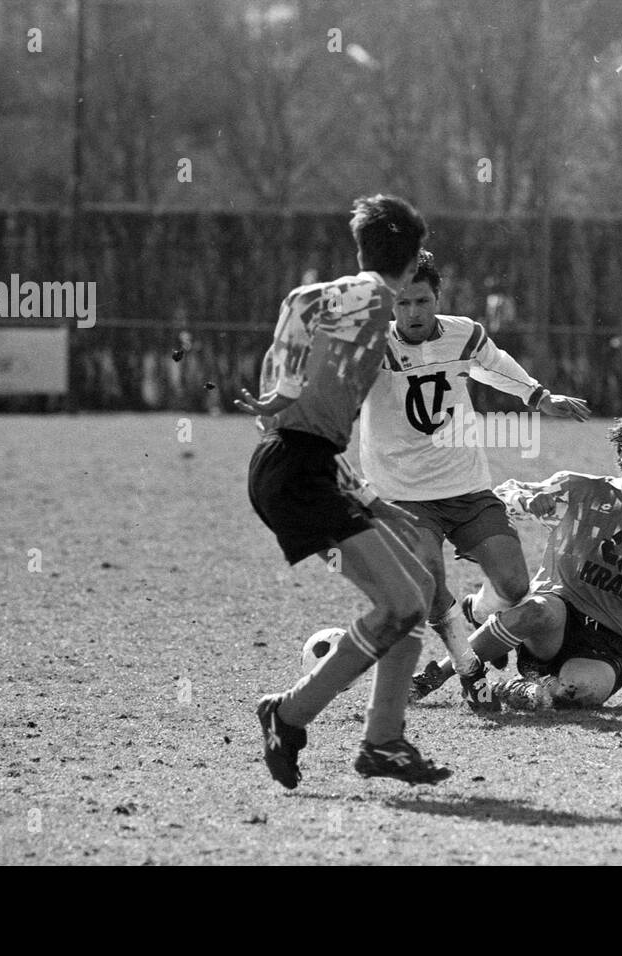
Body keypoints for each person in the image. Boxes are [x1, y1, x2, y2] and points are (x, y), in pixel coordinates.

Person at [234, 194, 451, 790]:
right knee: (403, 605)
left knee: (418, 585)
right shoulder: (376, 296)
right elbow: (318, 306)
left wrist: (373, 502)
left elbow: (298, 318)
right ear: (410, 264)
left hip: (304, 464)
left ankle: (383, 741)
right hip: (298, 468)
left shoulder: (322, 302)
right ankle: (288, 714)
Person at [354, 250, 591, 700]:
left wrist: (540, 398)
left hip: (465, 486)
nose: (412, 313)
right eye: (402, 304)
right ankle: (468, 669)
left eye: (421, 301)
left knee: (514, 585)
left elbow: (496, 365)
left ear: (437, 297)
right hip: (402, 493)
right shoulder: (372, 345)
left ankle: (476, 614)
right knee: (427, 578)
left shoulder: (464, 334)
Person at [420, 407, 622, 711]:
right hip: (553, 618)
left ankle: (517, 688)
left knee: (577, 694)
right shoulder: (580, 490)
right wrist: (526, 500)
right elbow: (499, 497)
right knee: (540, 610)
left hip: (607, 643)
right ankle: (435, 676)